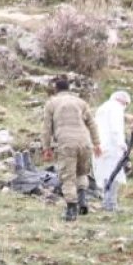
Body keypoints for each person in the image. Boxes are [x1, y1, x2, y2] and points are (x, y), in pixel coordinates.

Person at [42, 76, 101, 221]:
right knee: (82, 172)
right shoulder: (81, 103)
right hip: (84, 142)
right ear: (69, 89)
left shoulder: (52, 104)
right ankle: (82, 201)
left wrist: (46, 148)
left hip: (66, 143)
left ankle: (71, 209)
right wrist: (97, 143)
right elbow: (92, 124)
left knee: (68, 176)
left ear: (56, 90)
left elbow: (46, 128)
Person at [94, 91, 132, 212]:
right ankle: (111, 204)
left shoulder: (102, 108)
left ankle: (106, 202)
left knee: (105, 175)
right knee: (114, 175)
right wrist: (122, 144)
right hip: (112, 147)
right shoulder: (116, 108)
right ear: (122, 101)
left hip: (100, 147)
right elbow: (116, 129)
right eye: (126, 104)